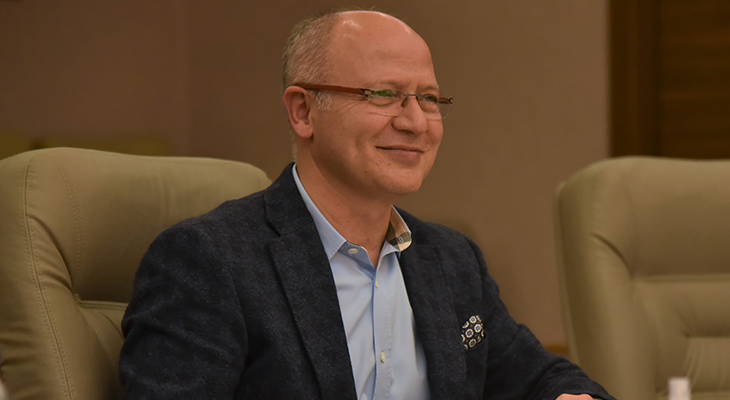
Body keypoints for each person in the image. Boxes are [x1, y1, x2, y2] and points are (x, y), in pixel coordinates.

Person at [119, 9, 615, 400]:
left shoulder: (451, 261)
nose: (415, 122)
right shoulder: (207, 261)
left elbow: (536, 378)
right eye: (383, 94)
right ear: (303, 111)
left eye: (429, 99)